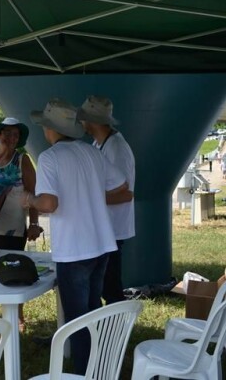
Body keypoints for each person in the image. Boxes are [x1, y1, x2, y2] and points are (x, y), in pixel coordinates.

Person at [23, 98, 130, 376]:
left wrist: (29, 200)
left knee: (77, 321)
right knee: (93, 310)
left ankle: (84, 373)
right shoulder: (92, 153)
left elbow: (49, 204)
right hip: (101, 244)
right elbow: (121, 185)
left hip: (74, 249)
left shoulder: (49, 158)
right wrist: (90, 194)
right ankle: (99, 368)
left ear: (49, 129)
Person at [0, 117, 39, 329]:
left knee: (14, 270)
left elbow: (32, 193)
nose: (11, 138)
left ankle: (17, 316)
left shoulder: (22, 160)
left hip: (13, 227)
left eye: (16, 135)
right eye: (7, 133)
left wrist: (34, 223)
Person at [78, 96, 136, 305]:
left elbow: (126, 194)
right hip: (104, 228)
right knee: (102, 286)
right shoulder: (100, 143)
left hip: (112, 229)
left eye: (83, 118)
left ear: (91, 120)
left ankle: (117, 333)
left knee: (110, 288)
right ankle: (106, 332)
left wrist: (88, 200)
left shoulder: (116, 148)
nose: (81, 123)